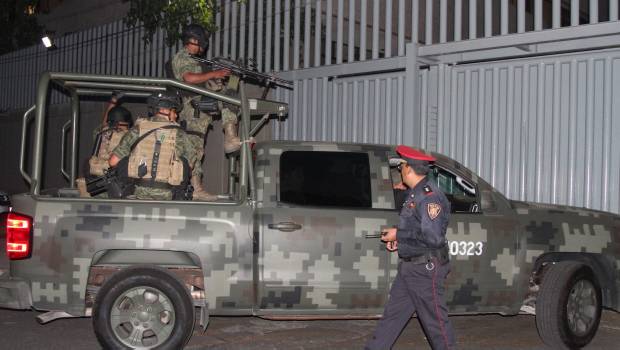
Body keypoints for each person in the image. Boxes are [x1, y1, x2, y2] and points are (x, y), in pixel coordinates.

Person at [365, 145, 456, 350]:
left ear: (408, 168)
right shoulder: (416, 193)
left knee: (437, 325)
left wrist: (399, 234)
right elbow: (417, 229)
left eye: (402, 165)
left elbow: (432, 238)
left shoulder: (430, 196)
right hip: (411, 268)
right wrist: (401, 239)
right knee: (392, 318)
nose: (400, 170)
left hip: (425, 270)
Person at [170, 23, 239, 201]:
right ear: (193, 40)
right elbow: (189, 78)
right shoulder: (182, 56)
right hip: (192, 109)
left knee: (195, 150)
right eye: (200, 43)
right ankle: (196, 189)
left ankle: (230, 137)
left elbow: (204, 80)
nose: (202, 47)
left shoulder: (197, 61)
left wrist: (223, 76)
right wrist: (213, 74)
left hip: (200, 108)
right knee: (193, 152)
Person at [108, 91, 196, 201]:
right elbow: (190, 166)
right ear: (166, 110)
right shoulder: (180, 134)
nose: (176, 115)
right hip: (169, 195)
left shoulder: (137, 130)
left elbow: (113, 162)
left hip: (137, 192)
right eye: (174, 111)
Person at [88, 92, 133, 177]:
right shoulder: (127, 136)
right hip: (115, 179)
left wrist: (113, 101)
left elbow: (105, 124)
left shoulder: (100, 133)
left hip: (98, 176)